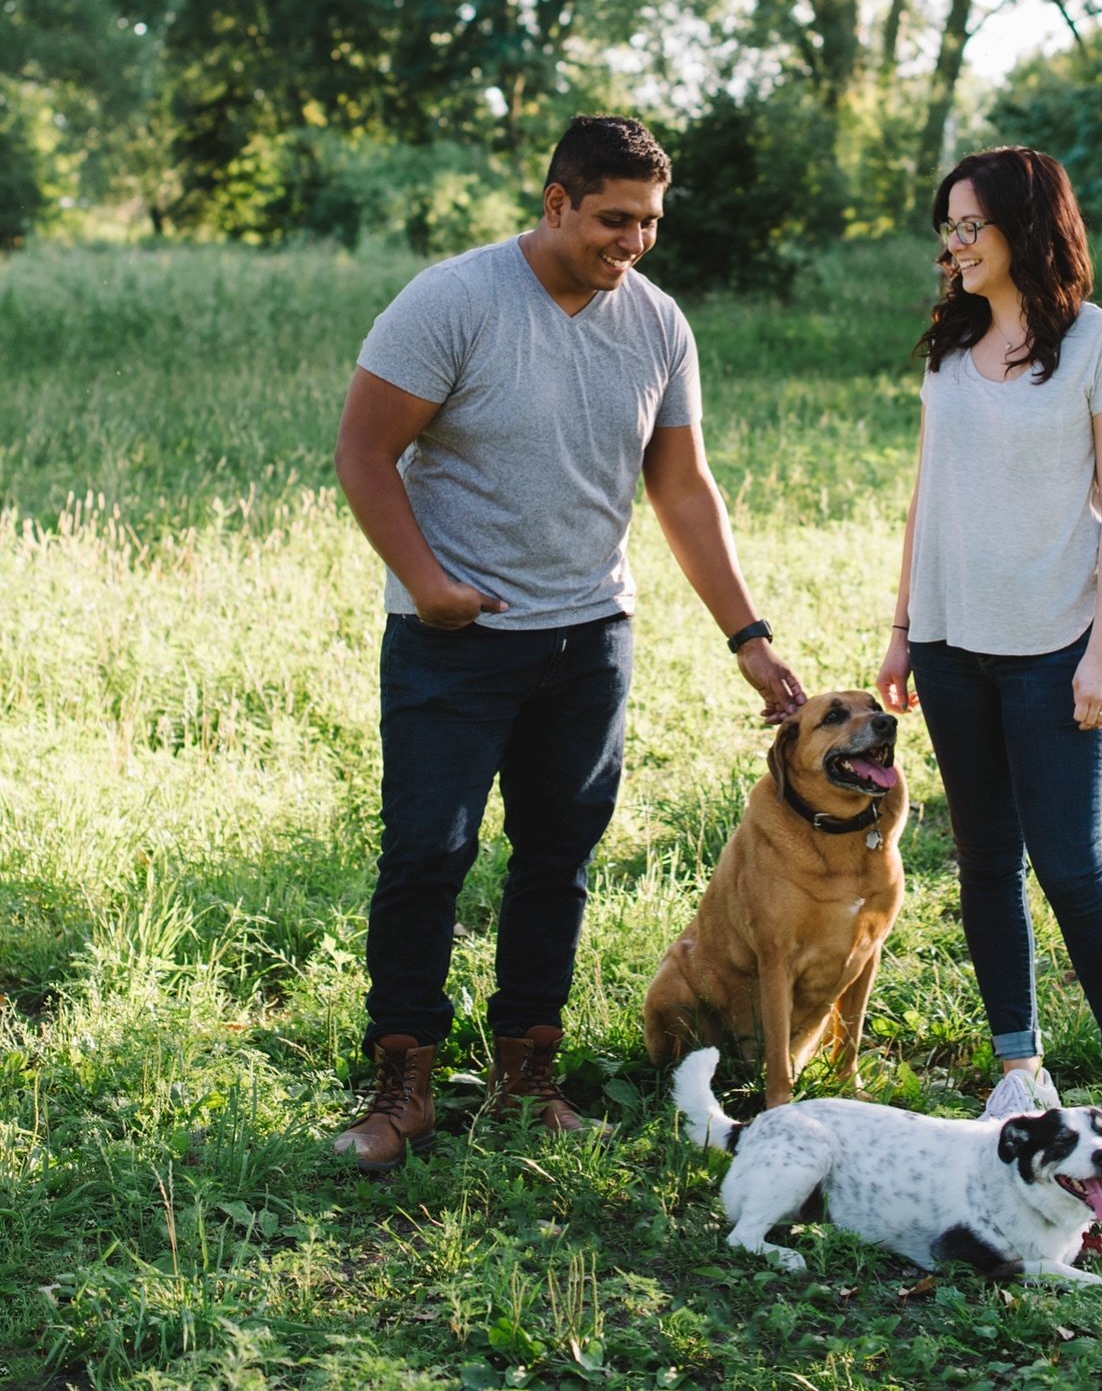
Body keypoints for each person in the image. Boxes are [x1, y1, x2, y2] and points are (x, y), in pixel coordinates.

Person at [330, 114, 806, 1170]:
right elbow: (362, 454)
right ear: (556, 204)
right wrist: (429, 586)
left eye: (648, 223)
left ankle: (525, 1075)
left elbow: (681, 487)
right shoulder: (453, 303)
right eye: (611, 220)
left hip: (589, 638)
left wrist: (748, 636)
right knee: (427, 857)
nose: (631, 242)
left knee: (558, 860)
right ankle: (400, 1088)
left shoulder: (657, 324)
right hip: (453, 642)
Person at [876, 146, 1102, 1163]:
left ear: (1024, 228)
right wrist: (903, 627)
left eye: (969, 226)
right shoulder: (949, 347)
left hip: (1055, 645)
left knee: (1069, 861)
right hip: (955, 643)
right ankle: (1019, 1067)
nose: (953, 246)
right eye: (946, 230)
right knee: (985, 861)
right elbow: (929, 491)